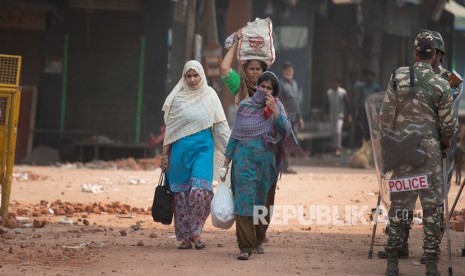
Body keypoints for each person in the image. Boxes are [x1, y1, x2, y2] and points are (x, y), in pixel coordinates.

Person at [379, 29, 456, 276]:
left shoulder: (397, 77)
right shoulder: (442, 83)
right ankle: (431, 265)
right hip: (430, 155)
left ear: (414, 52)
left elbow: (385, 119)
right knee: (432, 208)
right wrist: (442, 144)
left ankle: (392, 263)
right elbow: (449, 126)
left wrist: (391, 145)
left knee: (399, 206)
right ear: (434, 55)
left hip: (401, 154)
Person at [220, 71, 301, 261]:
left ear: (274, 91)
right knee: (244, 202)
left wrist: (275, 111)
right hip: (243, 164)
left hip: (266, 166)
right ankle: (245, 246)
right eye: (262, 86)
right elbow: (234, 136)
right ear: (257, 87)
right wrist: (225, 163)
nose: (264, 91)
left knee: (262, 203)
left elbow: (286, 131)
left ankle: (257, 239)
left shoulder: (277, 107)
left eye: (269, 88)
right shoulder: (245, 107)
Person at [161, 60, 230, 250]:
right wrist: (164, 157)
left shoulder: (210, 96)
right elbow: (170, 131)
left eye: (195, 75)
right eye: (188, 76)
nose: (192, 80)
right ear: (183, 77)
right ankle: (185, 237)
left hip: (203, 150)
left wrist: (232, 152)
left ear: (202, 76)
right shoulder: (177, 98)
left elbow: (221, 126)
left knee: (199, 193)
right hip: (180, 153)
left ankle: (197, 232)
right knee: (181, 196)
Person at [220, 31, 267, 104]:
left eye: (258, 69)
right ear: (245, 70)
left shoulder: (269, 85)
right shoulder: (239, 85)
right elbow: (224, 68)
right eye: (252, 69)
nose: (255, 72)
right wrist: (235, 43)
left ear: (263, 70)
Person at [279, 61, 304, 173]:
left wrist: (300, 118)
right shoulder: (281, 84)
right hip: (285, 118)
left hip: (294, 118)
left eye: (291, 70)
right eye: (287, 70)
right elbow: (278, 100)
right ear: (284, 71)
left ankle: (286, 166)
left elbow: (296, 102)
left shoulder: (294, 84)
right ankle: (283, 167)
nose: (289, 72)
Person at [353, 69, 380, 146]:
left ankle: (372, 143)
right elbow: (359, 98)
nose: (369, 77)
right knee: (364, 127)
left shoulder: (375, 87)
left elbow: (378, 99)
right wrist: (357, 108)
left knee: (372, 126)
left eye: (371, 76)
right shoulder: (362, 86)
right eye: (368, 76)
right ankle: (364, 143)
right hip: (363, 110)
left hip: (373, 110)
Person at [326, 77, 349, 156]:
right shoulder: (329, 92)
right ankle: (334, 148)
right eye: (333, 82)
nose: (335, 84)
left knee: (338, 131)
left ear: (339, 84)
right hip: (332, 115)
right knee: (332, 132)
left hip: (340, 115)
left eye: (336, 83)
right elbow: (327, 104)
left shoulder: (343, 92)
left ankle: (338, 148)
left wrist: (348, 115)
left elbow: (347, 104)